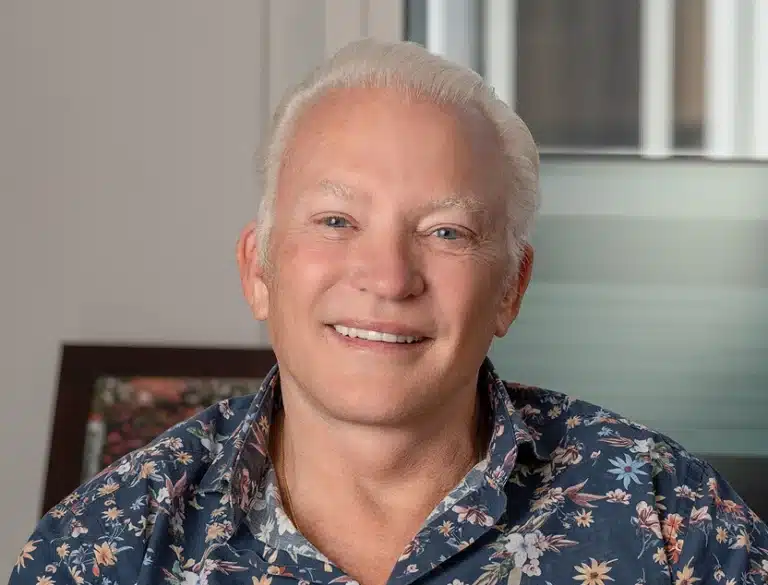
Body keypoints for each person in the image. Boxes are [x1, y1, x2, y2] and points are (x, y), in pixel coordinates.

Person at [9, 38, 768, 585]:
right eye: (336, 220)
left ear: (511, 287)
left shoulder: (671, 521)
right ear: (258, 269)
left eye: (446, 232)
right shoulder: (106, 545)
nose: (389, 277)